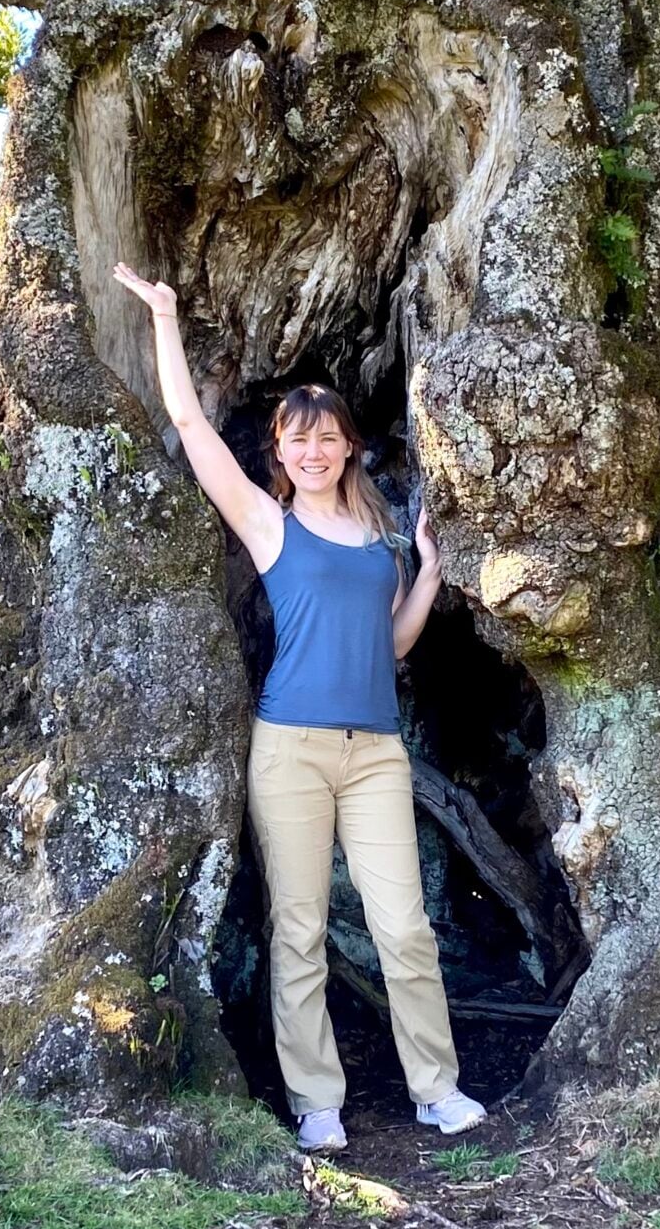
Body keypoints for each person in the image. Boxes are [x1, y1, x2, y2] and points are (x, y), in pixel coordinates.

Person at [113, 262, 487, 1152]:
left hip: (375, 754)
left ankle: (436, 1089)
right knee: (299, 931)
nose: (312, 451)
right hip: (290, 750)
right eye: (295, 440)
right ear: (279, 453)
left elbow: (390, 647)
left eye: (326, 438)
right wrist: (164, 316)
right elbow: (190, 425)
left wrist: (429, 573)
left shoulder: (381, 540)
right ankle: (318, 1103)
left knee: (404, 929)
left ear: (348, 447)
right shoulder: (267, 523)